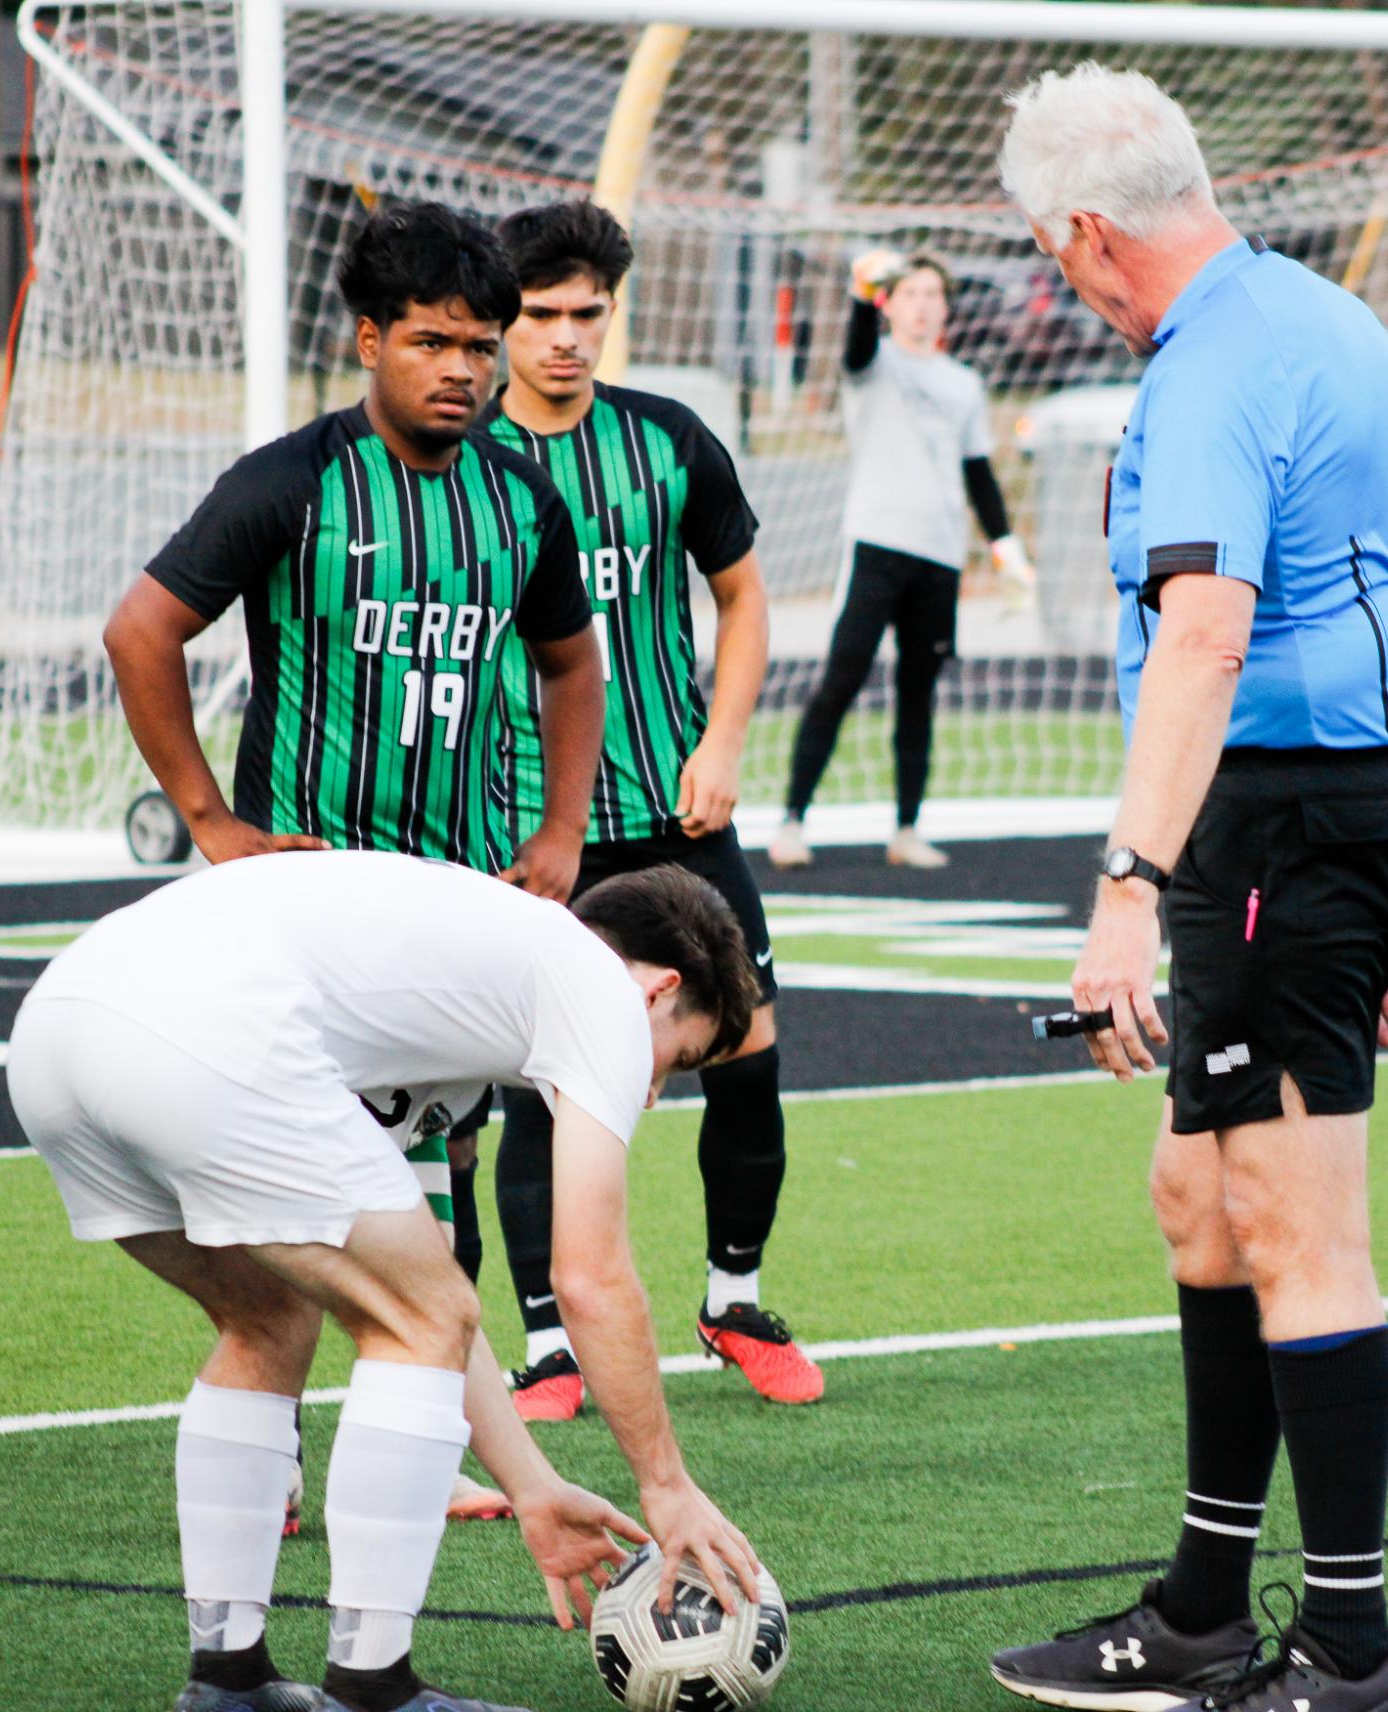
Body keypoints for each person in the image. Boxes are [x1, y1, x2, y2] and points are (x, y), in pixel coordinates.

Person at [987, 66, 1388, 1712]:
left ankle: (1344, 1653)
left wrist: (1130, 888)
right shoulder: (1321, 320)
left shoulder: (1203, 374)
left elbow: (1206, 631)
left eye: (1053, 256)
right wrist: (1357, 903)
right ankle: (1198, 1610)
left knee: (1288, 1224)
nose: (1059, 282)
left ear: (1091, 234)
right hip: (1343, 819)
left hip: (1281, 826)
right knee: (1197, 1195)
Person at [103, 198, 605, 1524]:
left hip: (449, 916)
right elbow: (142, 632)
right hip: (302, 921)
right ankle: (271, 1461)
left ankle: (417, 1450)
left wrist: (558, 833)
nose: (464, 369)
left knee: (439, 1202)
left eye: (480, 345)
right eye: (434, 341)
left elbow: (570, 663)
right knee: (287, 1215)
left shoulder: (519, 496)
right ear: (369, 339)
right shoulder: (294, 482)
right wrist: (213, 822)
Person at [4, 851, 764, 1712]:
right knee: (421, 1317)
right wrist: (666, 1488)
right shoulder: (602, 992)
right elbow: (588, 1279)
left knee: (274, 1319)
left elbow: (427, 1289)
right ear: (661, 990)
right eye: (677, 1057)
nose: (653, 1088)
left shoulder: (466, 1003)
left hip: (57, 1033)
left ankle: (227, 1681)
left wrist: (532, 1488)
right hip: (202, 1028)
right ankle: (372, 1688)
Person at [478, 200, 823, 1411]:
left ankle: (734, 1301)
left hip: (680, 817)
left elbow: (743, 598)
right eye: (542, 316)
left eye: (590, 314)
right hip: (531, 820)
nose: (569, 338)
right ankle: (548, 1343)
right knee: (537, 1076)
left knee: (749, 1047)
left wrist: (723, 739)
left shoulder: (669, 441)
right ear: (501, 319)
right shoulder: (460, 463)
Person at [768, 248, 1032, 872]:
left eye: (934, 295)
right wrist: (862, 294)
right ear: (893, 304)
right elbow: (857, 346)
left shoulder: (964, 384)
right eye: (911, 293)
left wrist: (1006, 547)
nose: (924, 306)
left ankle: (907, 828)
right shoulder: (874, 365)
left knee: (920, 694)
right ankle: (791, 820)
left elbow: (978, 474)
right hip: (877, 547)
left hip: (938, 558)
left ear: (946, 307)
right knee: (842, 679)